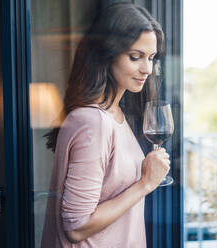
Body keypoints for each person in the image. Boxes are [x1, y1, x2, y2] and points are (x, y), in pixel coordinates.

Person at [41, 3, 170, 247]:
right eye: (135, 56)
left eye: (151, 57)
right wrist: (145, 184)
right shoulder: (93, 122)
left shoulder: (114, 114)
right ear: (106, 53)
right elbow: (77, 227)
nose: (147, 69)